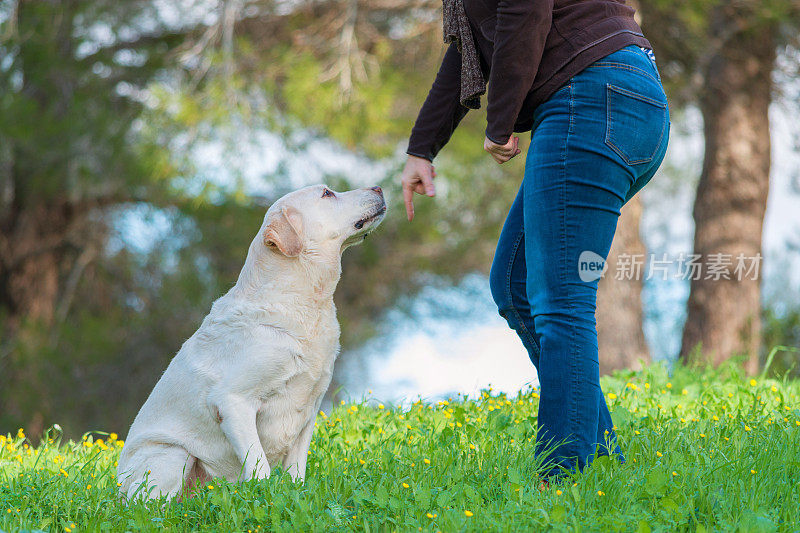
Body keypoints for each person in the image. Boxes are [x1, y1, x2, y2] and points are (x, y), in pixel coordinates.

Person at [400, 0, 669, 479]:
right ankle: (601, 463)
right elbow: (471, 52)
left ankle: (560, 482)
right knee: (516, 284)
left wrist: (500, 122)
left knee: (560, 300)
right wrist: (423, 147)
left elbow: (525, 13)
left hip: (591, 96)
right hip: (619, 97)